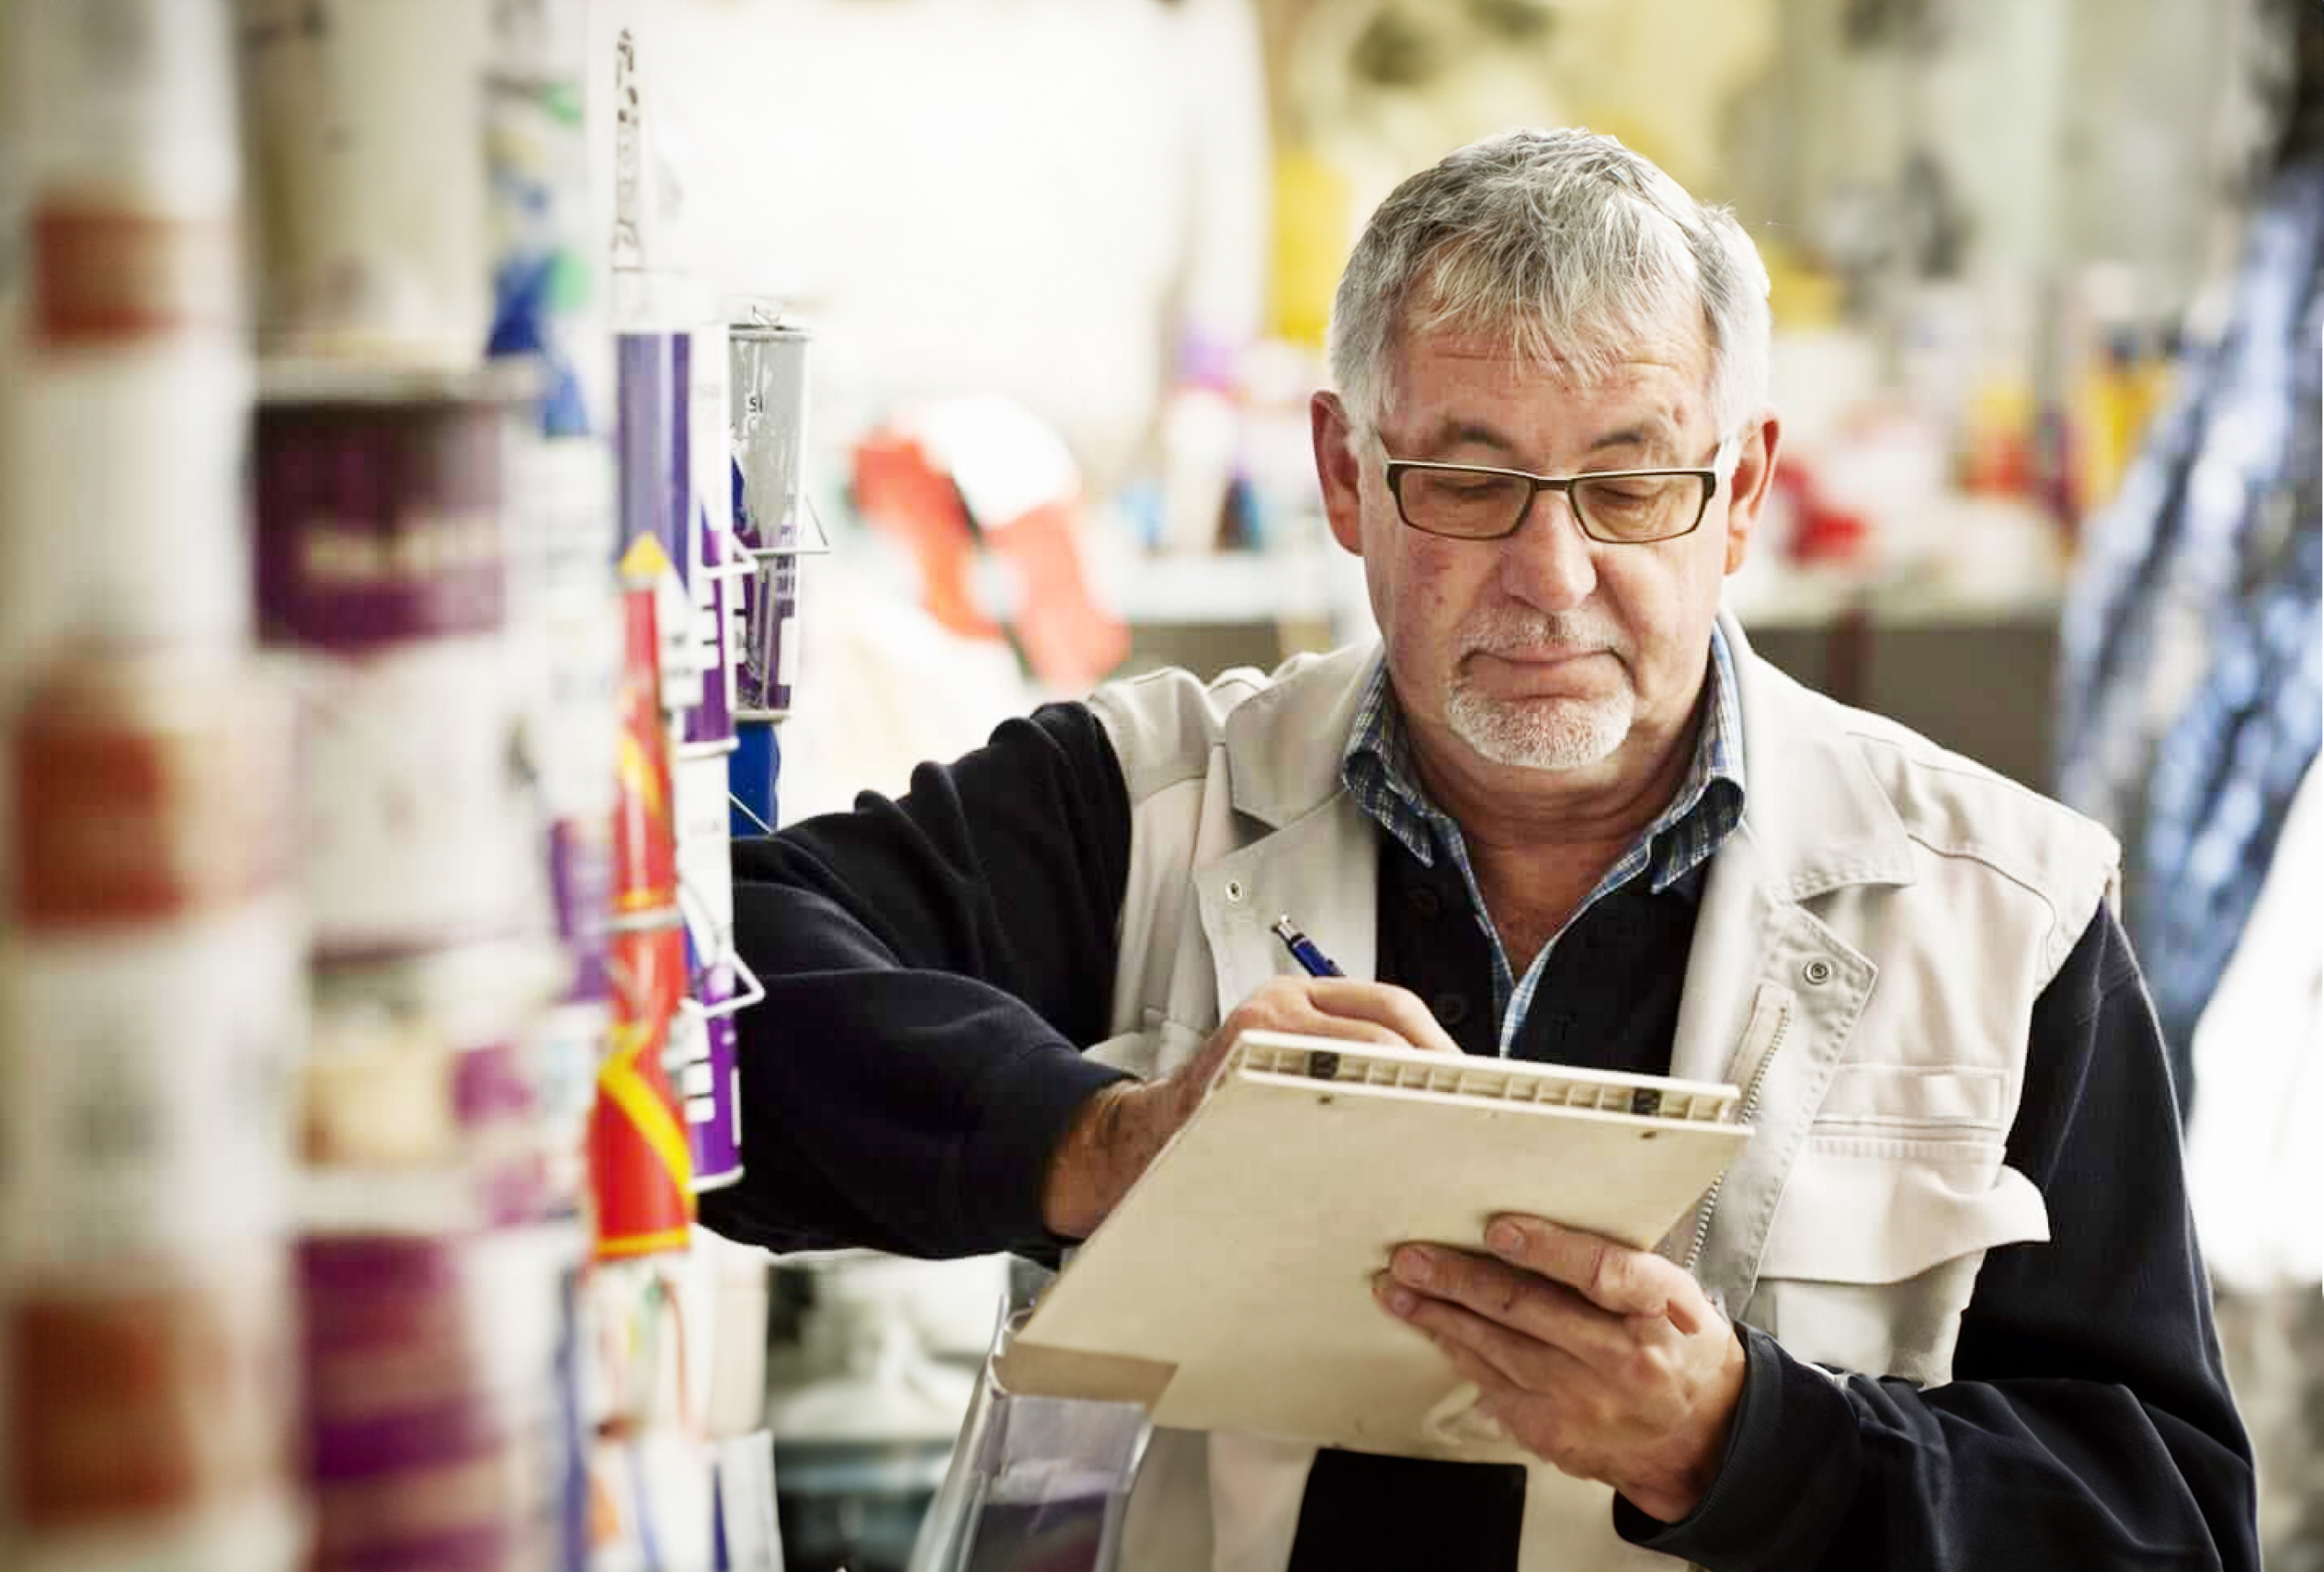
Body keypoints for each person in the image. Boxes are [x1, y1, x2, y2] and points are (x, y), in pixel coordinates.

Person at [701, 128, 2257, 1570]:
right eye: (1467, 476)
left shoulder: (2006, 914)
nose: (1552, 574)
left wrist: (1743, 1440)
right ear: (1342, 475)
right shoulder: (1145, 797)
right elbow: (702, 988)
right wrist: (1097, 1141)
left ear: (1742, 490)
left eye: (1632, 479)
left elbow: (2169, 1519)